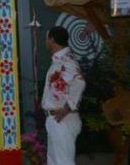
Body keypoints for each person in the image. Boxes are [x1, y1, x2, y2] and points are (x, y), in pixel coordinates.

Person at [42, 26, 85, 165]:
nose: (45, 41)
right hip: (58, 119)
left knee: (63, 162)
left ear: (52, 39)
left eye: (46, 38)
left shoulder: (66, 61)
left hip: (63, 120)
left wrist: (67, 107)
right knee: (55, 161)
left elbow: (80, 82)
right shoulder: (60, 60)